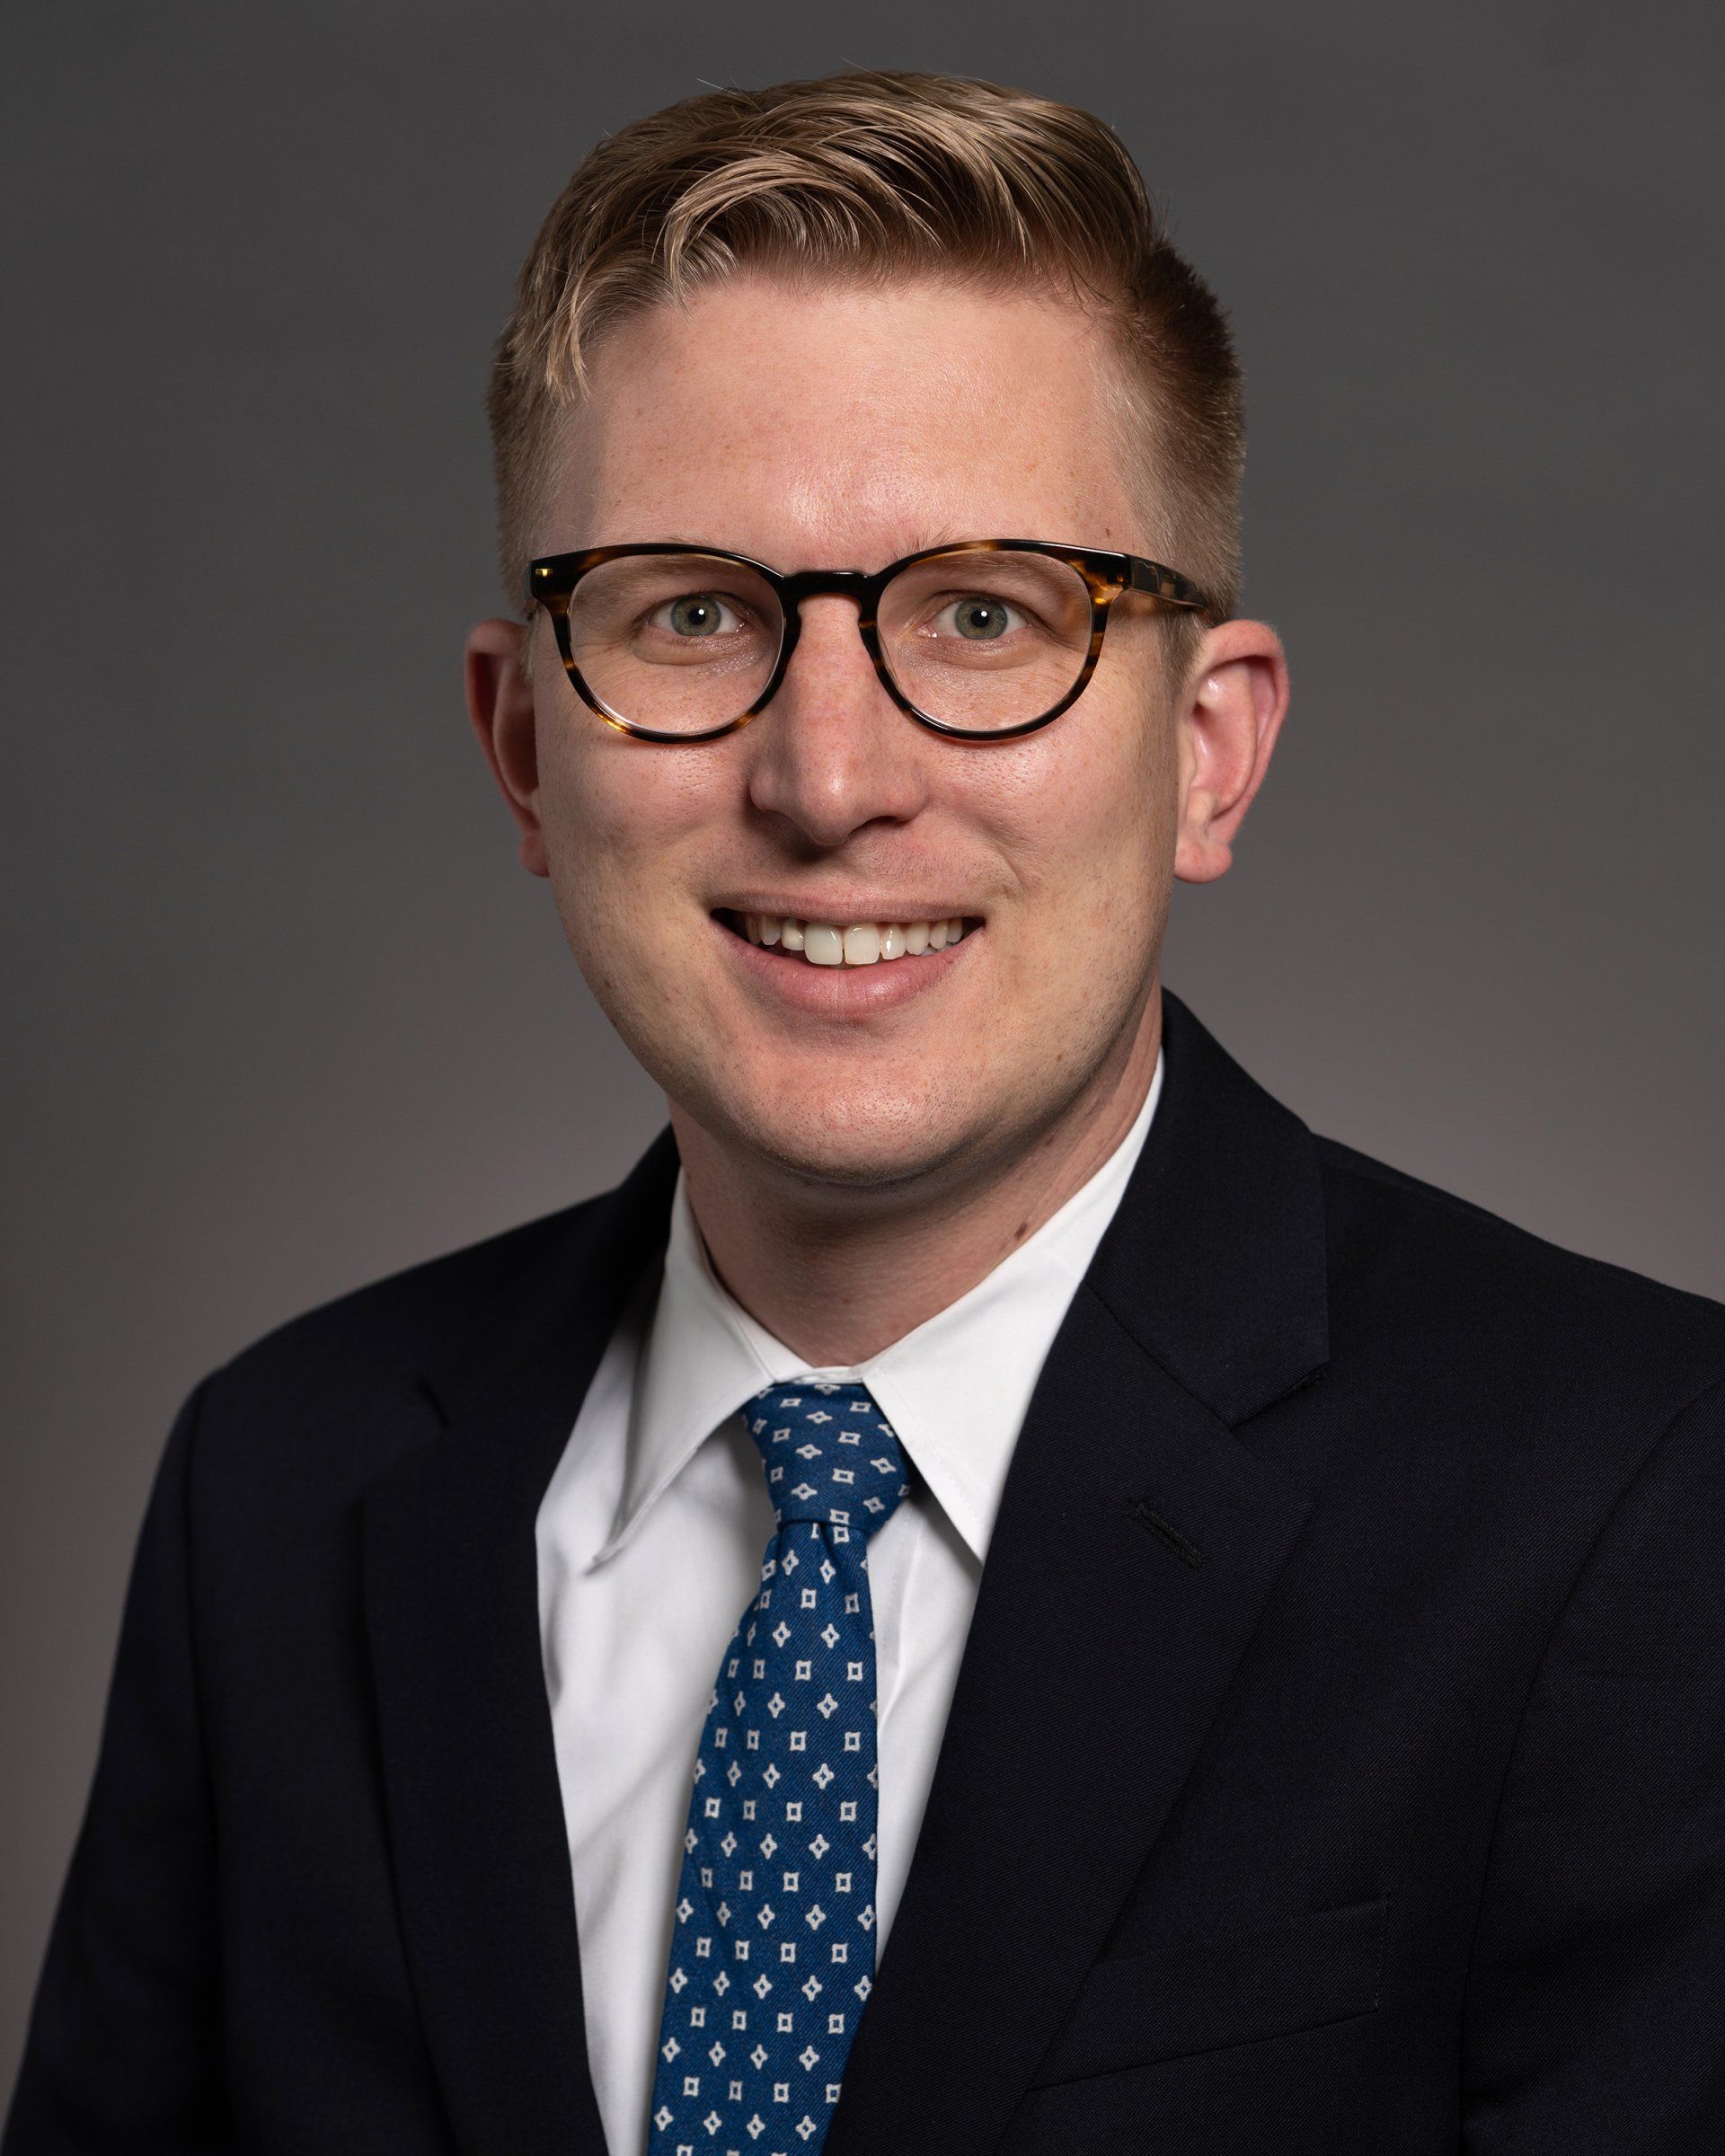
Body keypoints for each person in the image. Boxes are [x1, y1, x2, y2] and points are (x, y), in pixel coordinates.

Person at [6, 66, 1723, 2156]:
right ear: (525, 747)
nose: (830, 781)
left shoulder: (1639, 1507)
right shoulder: (278, 1490)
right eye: (696, 612)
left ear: (1209, 753)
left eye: (989, 616)